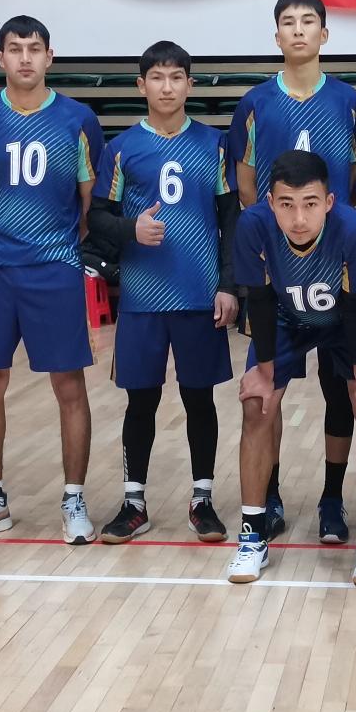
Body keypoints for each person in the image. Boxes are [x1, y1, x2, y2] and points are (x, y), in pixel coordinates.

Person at [0, 15, 106, 545]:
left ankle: (74, 499)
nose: (24, 58)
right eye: (14, 49)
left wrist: (52, 243)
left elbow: (87, 202)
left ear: (49, 57)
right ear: (0, 58)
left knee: (69, 385)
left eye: (34, 48)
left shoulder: (78, 119)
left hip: (54, 268)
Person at [228, 0, 356, 544]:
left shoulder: (348, 100)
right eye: (287, 23)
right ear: (277, 35)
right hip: (280, 266)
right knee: (267, 391)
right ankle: (270, 495)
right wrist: (275, 240)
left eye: (308, 22)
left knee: (341, 391)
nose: (298, 30)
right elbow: (246, 184)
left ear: (324, 34)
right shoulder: (255, 103)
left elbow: (352, 181)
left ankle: (333, 498)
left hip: (333, 263)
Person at [86, 41, 240, 543]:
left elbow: (230, 219)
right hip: (142, 299)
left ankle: (202, 501)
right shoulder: (121, 148)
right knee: (141, 401)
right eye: (157, 77)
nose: (167, 87)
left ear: (190, 85)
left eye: (176, 77)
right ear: (141, 85)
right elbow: (97, 217)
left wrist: (228, 284)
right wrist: (130, 230)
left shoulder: (214, 144)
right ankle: (134, 503)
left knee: (200, 399)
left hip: (199, 295)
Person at [226, 151, 356, 584]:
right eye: (286, 204)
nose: (299, 218)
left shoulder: (353, 230)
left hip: (344, 319)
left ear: (330, 201)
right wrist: (265, 370)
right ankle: (252, 537)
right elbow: (260, 299)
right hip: (285, 317)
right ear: (269, 202)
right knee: (257, 404)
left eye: (310, 204)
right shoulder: (253, 225)